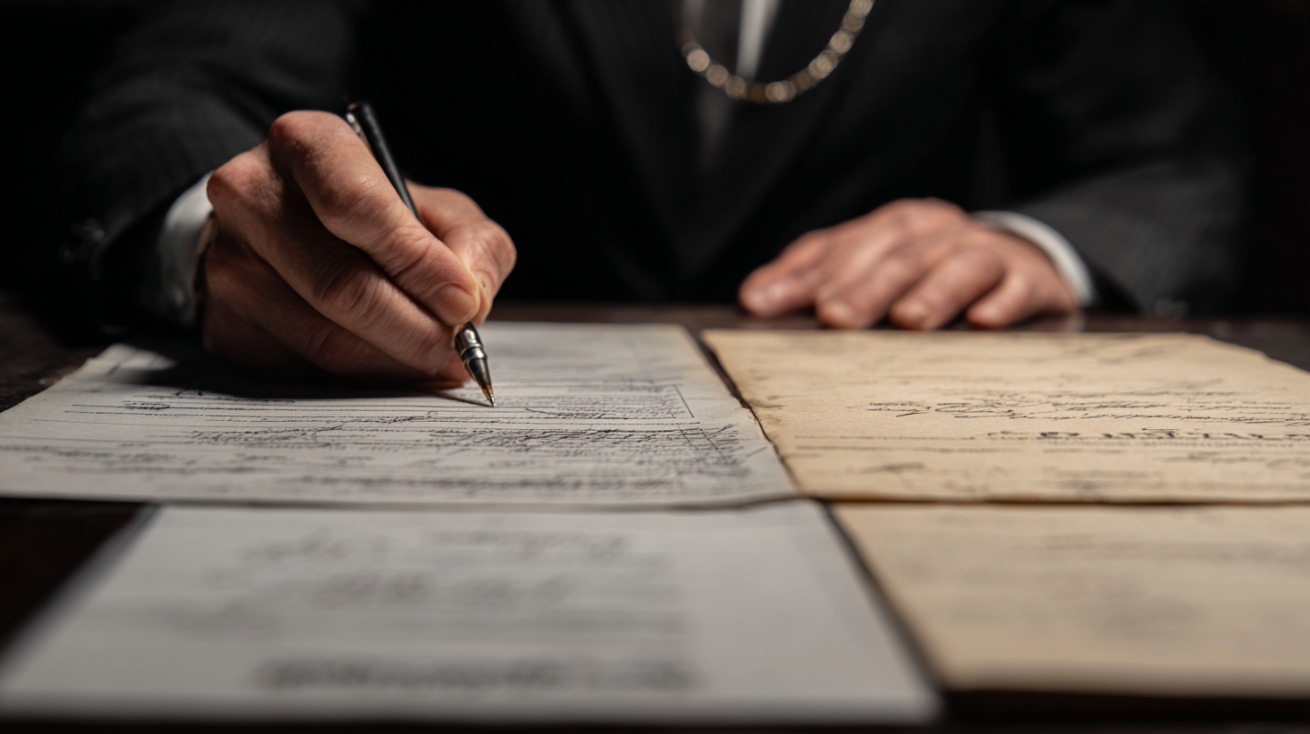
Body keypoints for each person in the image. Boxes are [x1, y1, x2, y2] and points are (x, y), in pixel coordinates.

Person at [53, 0, 1244, 383]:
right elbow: (171, 94)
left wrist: (1036, 246)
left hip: (871, 394)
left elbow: (1172, 161)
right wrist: (224, 232)